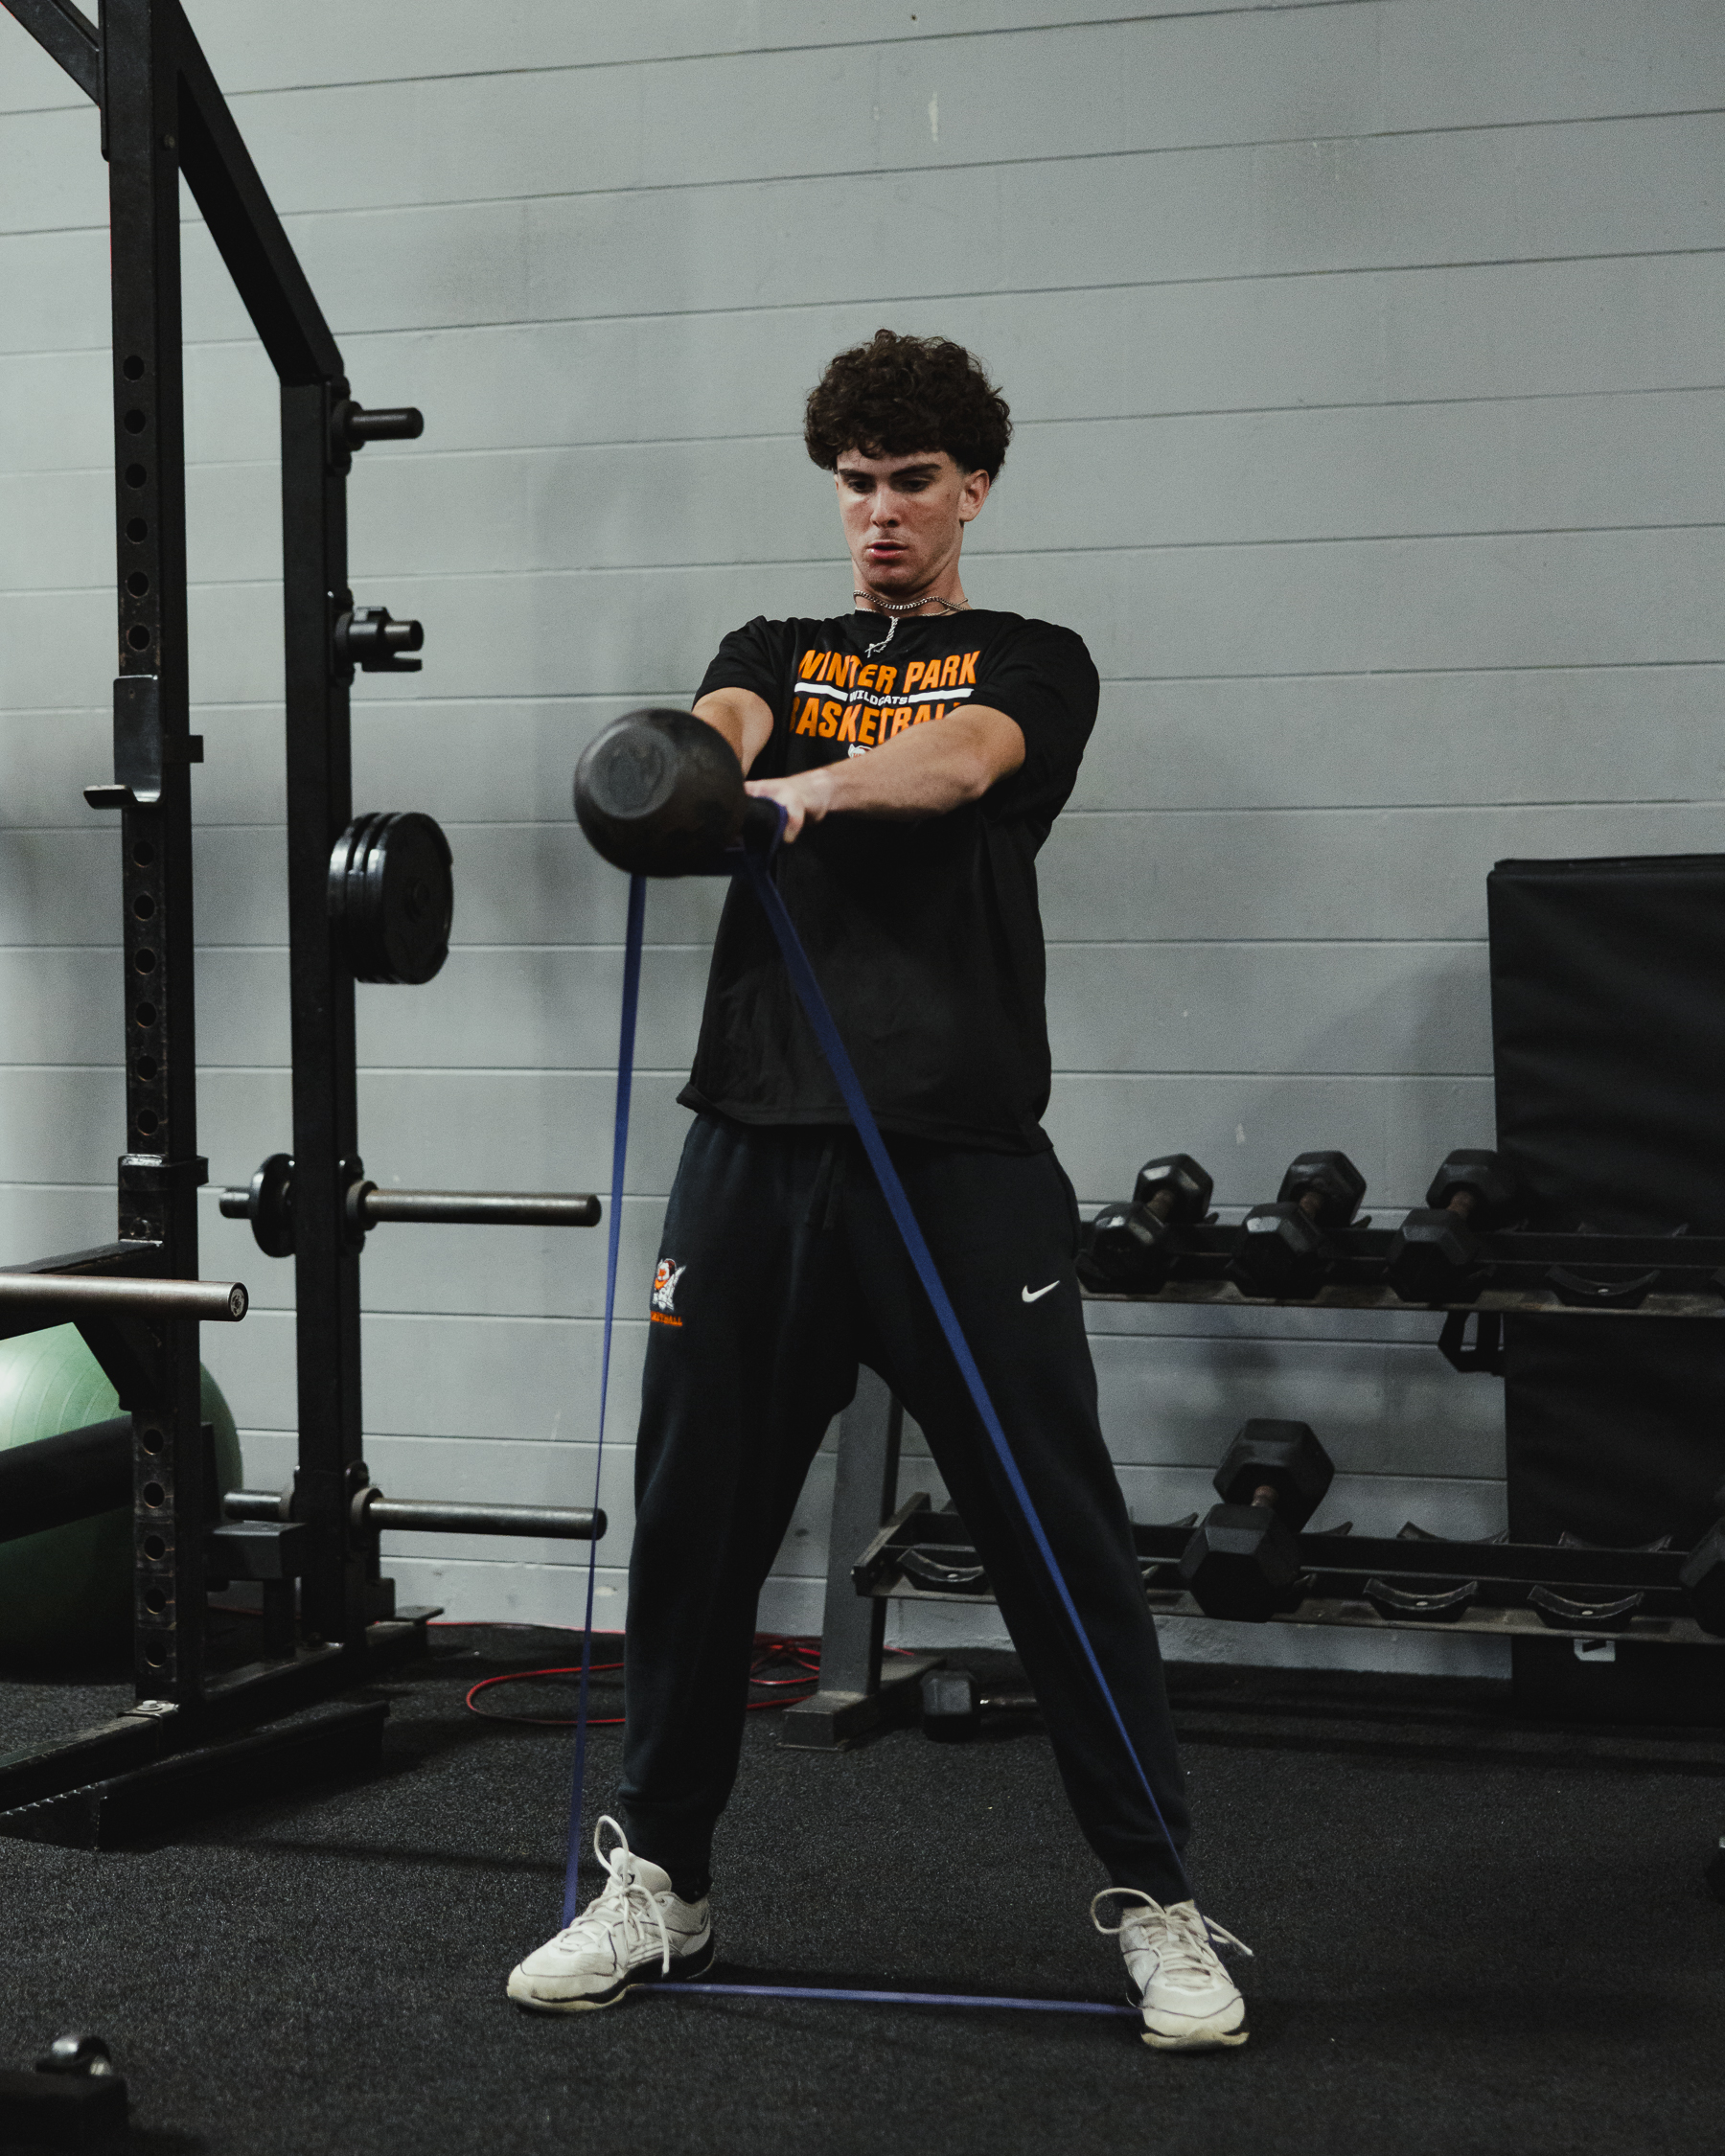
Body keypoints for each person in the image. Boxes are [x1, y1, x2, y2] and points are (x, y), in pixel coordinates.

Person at [508, 330, 1250, 2049]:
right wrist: (699, 768)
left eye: (913, 481)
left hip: (956, 1156)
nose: (881, 514)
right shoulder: (776, 652)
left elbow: (967, 759)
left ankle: (1158, 1899)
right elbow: (719, 731)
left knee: (1055, 1534)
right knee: (696, 1525)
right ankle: (661, 1879)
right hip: (753, 1149)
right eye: (856, 485)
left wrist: (807, 796)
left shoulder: (1035, 659)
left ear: (974, 487)